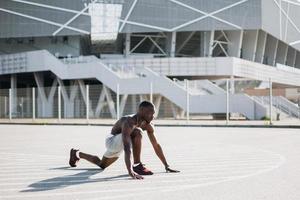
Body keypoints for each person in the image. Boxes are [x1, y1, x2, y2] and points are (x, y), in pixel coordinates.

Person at [69, 101, 180, 179]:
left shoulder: (149, 125)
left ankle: (77, 153)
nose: (152, 116)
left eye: (153, 113)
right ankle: (137, 165)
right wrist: (130, 170)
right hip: (112, 141)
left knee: (102, 165)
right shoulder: (129, 122)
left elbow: (156, 145)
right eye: (150, 113)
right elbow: (127, 148)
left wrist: (166, 165)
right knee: (137, 132)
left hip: (120, 143)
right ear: (141, 110)